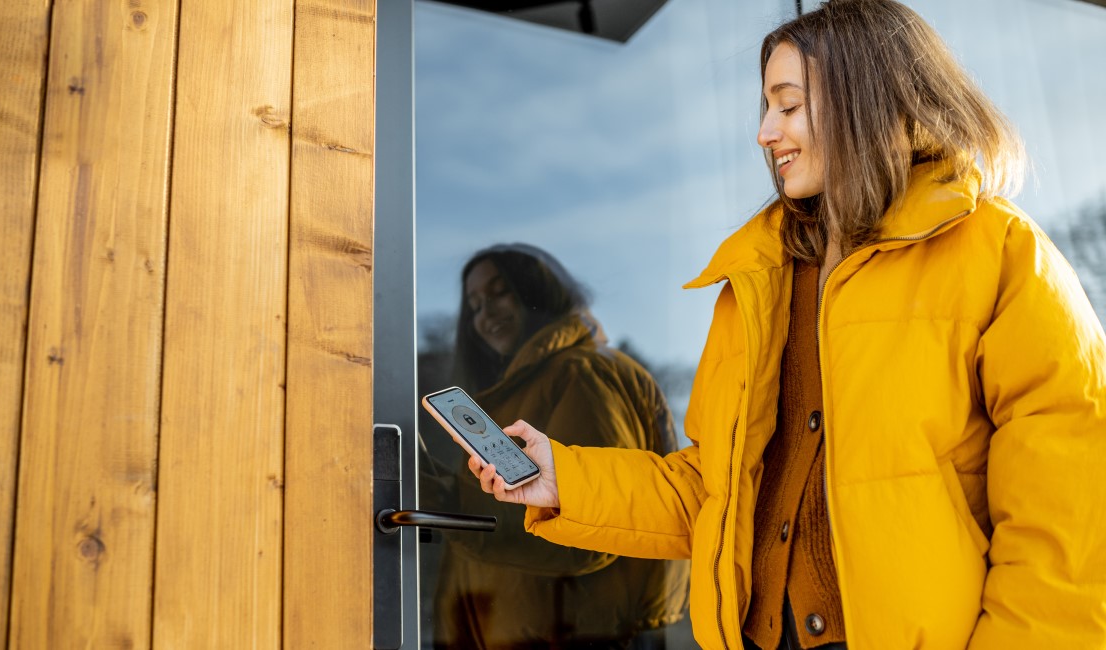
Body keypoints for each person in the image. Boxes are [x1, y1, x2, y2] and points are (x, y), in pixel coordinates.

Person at [462, 2, 1106, 649]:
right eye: (765, 108)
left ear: (867, 100)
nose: (767, 132)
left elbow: (1068, 528)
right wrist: (562, 479)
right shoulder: (759, 280)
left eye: (788, 105)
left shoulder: (1002, 257)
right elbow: (715, 494)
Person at [427, 243, 691, 649]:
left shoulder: (583, 374)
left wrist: (455, 515)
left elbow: (594, 529)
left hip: (576, 635)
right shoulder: (525, 382)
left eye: (500, 292)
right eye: (475, 305)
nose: (486, 314)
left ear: (537, 291)